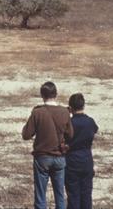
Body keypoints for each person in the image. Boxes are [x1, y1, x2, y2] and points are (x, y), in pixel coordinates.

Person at [22, 81, 73, 209]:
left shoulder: (37, 112)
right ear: (56, 94)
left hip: (42, 157)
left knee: (40, 195)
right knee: (60, 195)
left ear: (42, 95)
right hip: (60, 156)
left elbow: (26, 135)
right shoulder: (64, 112)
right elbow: (70, 135)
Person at [64, 93, 98, 209]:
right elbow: (95, 130)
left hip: (72, 160)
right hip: (87, 160)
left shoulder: (70, 123)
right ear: (83, 105)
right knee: (86, 195)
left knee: (73, 196)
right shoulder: (90, 121)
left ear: (70, 107)